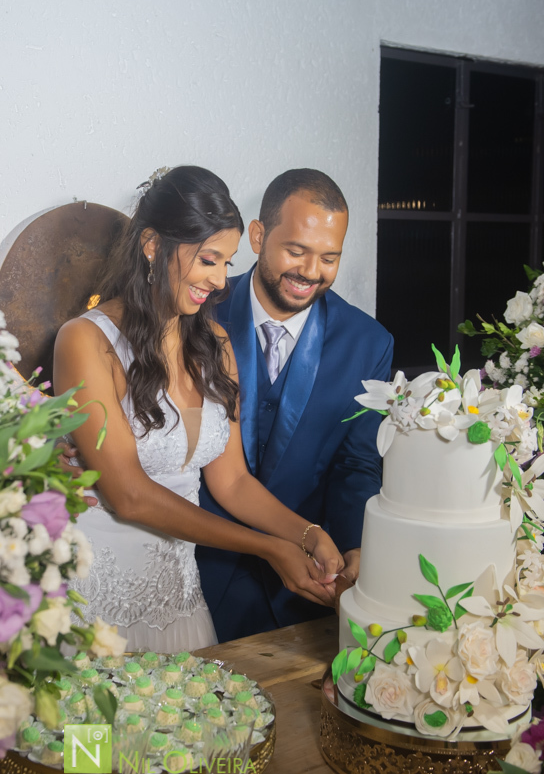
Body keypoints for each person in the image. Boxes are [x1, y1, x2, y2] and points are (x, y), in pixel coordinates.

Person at [52, 165, 344, 652]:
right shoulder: (85, 341)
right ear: (152, 244)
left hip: (181, 603)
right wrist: (268, 548)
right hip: (95, 605)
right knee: (92, 731)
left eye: (227, 263)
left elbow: (231, 482)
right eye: (209, 259)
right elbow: (128, 495)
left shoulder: (216, 343)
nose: (219, 280)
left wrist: (307, 534)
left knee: (181, 728)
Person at [195, 168, 394, 642]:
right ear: (259, 236)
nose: (311, 271)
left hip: (304, 594)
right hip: (197, 571)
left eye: (329, 257)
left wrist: (356, 546)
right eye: (297, 251)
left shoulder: (369, 342)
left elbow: (357, 463)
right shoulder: (197, 313)